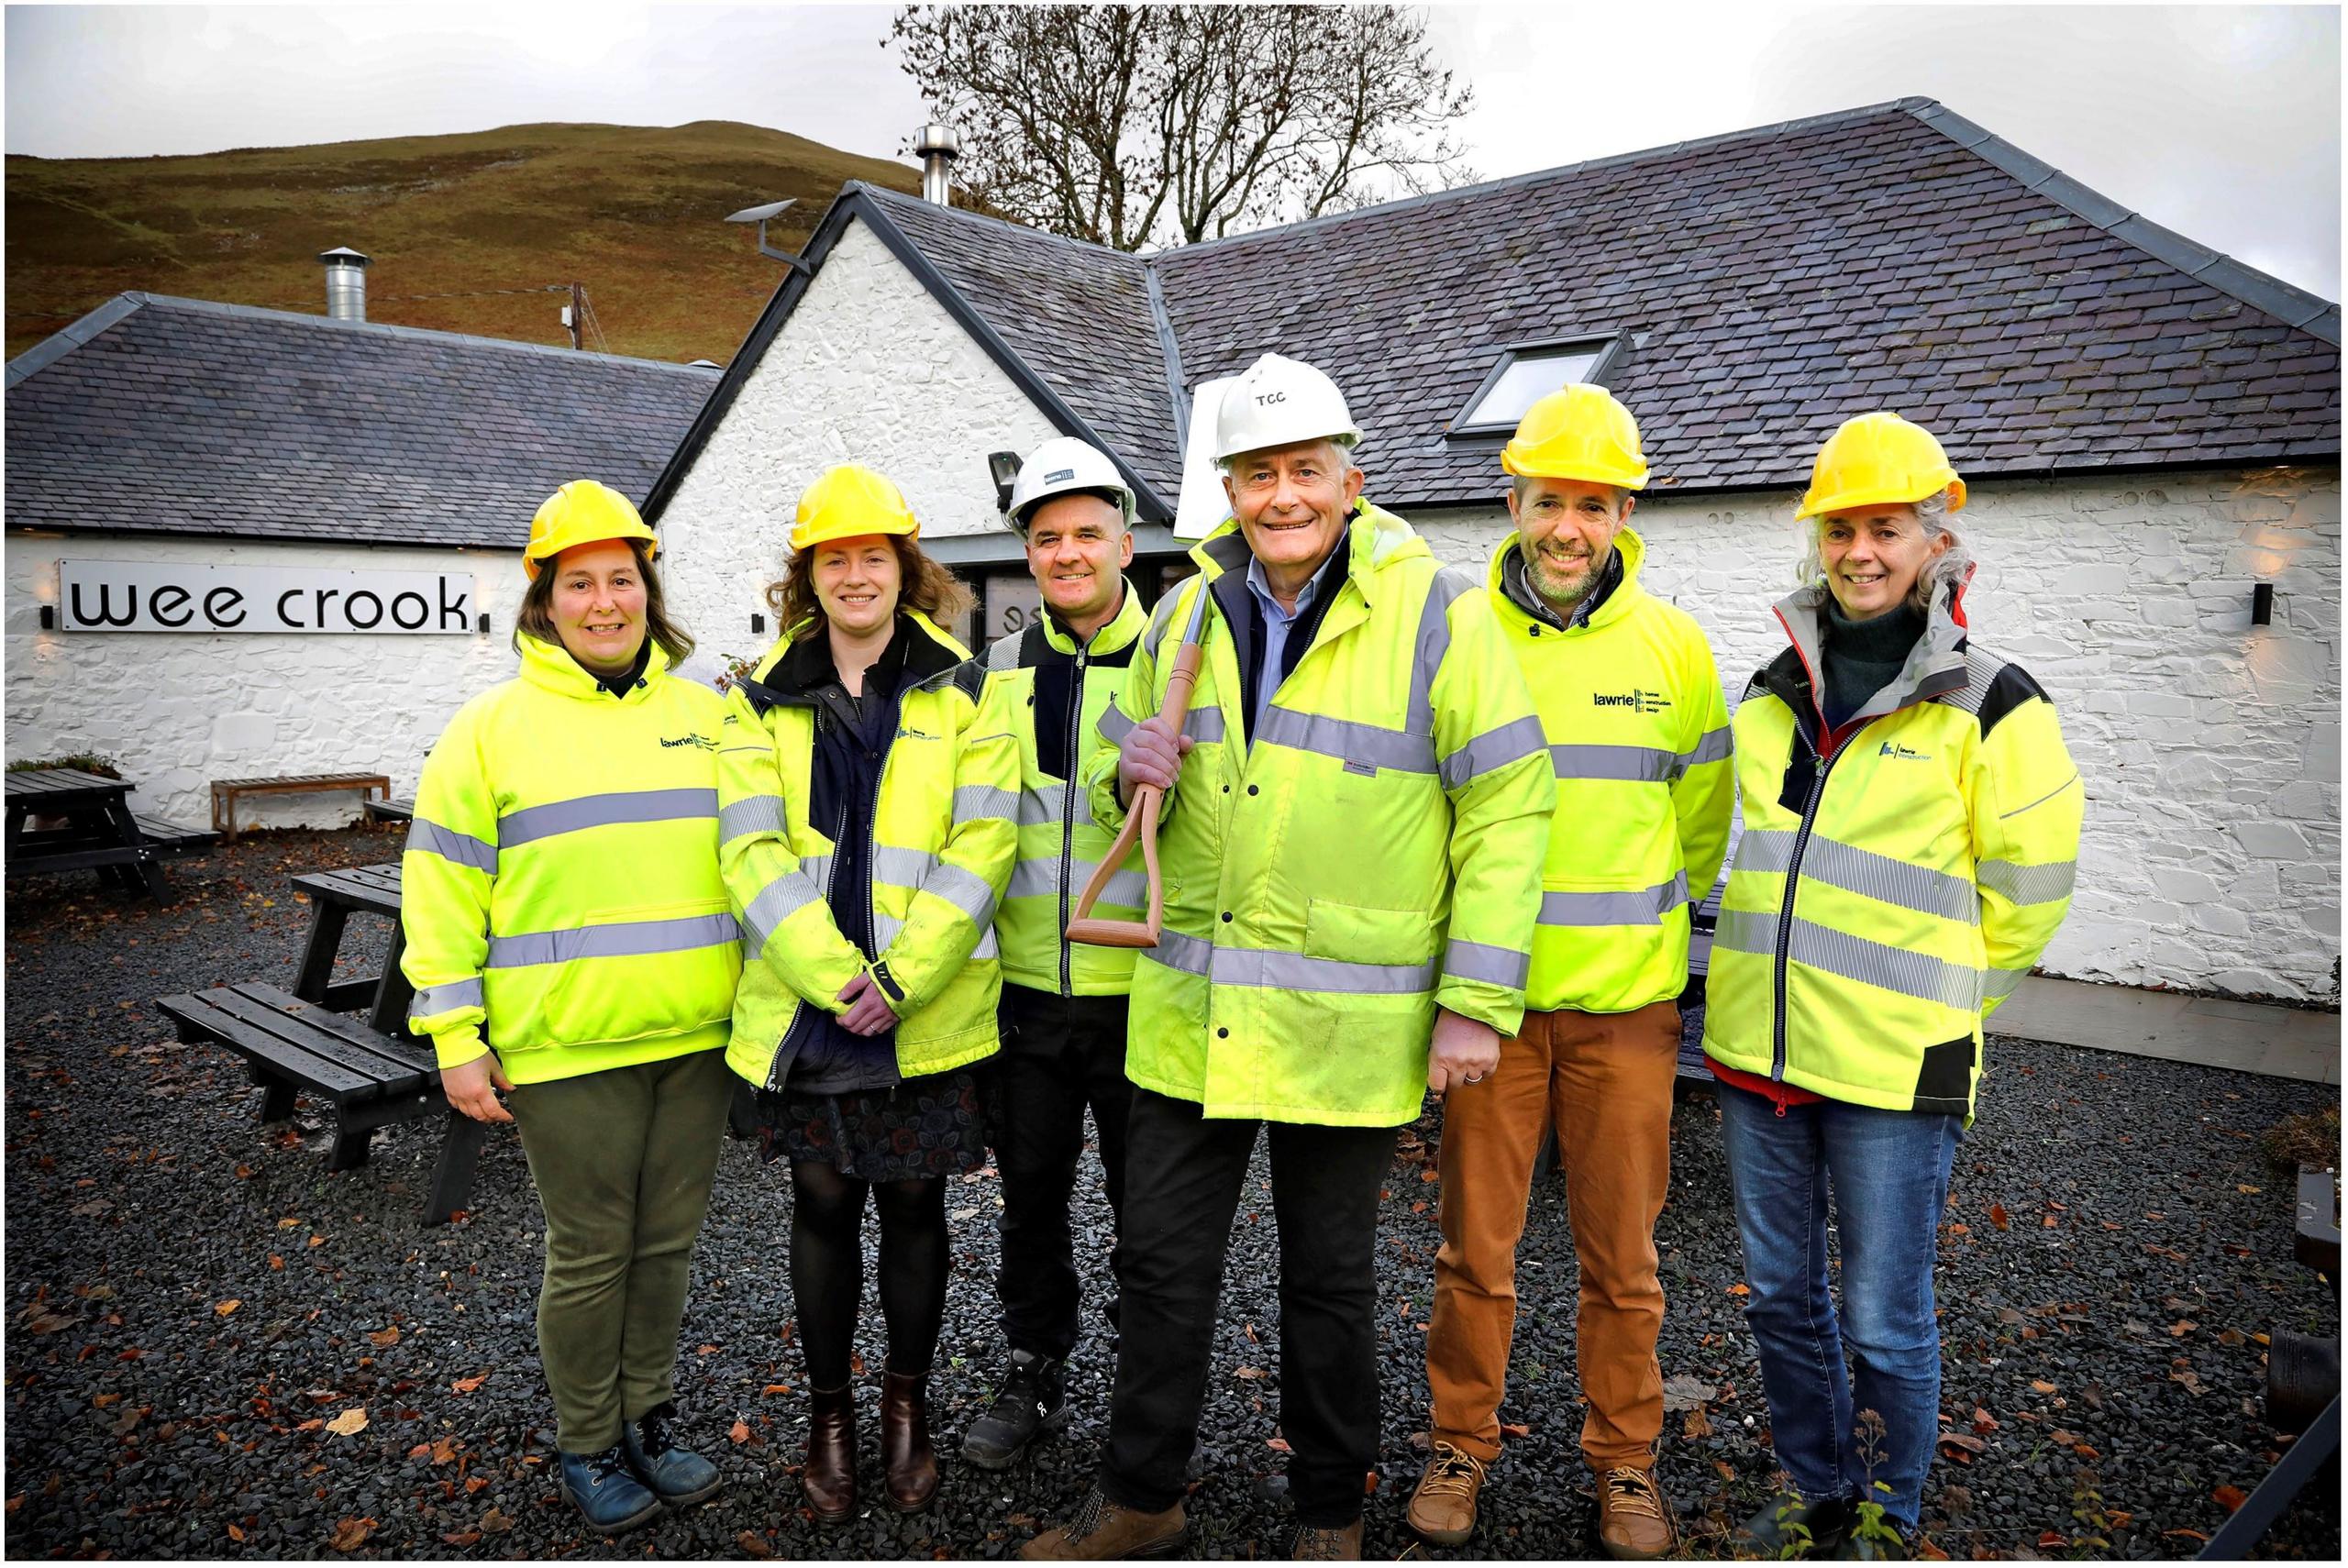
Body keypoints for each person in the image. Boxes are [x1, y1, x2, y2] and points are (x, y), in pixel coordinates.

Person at [1022, 354, 1553, 1562]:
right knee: (1160, 1267)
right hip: (1191, 1010)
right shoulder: (1184, 616)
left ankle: (1327, 1512)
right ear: (1229, 492)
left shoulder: (1440, 614)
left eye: (1304, 470)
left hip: (1343, 1023)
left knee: (1328, 1282)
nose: (1283, 497)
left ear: (1350, 482)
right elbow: (1120, 780)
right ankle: (1142, 1498)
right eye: (1257, 475)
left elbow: (1510, 807)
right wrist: (1120, 774)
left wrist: (1474, 1001)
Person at [1702, 413, 2083, 1558]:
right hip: (1755, 1055)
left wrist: (1945, 1005)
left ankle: (1881, 1513)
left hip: (1896, 1066)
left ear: (1933, 541)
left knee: (1881, 1317)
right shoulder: (1771, 688)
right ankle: (1815, 1486)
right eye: (1840, 530)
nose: (1859, 552)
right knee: (1780, 1299)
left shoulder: (1993, 701)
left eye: (1884, 529)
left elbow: (2030, 891)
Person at [1411, 386, 1733, 1559]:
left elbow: (1701, 826)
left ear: (1622, 516)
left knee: (1624, 1261)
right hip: (1489, 1011)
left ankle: (1625, 1462)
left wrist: (1637, 951)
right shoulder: (1456, 632)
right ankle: (1460, 1444)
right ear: (1513, 501)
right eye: (1550, 501)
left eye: (1592, 506)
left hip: (1626, 1013)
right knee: (1474, 1253)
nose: (1567, 528)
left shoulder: (1674, 647)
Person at [402, 480, 741, 1537]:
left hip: (699, 1038)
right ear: (544, 602)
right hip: (565, 1049)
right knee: (593, 1253)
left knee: (667, 1245)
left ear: (649, 591)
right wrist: (455, 1039)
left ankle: (649, 1418)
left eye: (621, 581)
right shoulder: (488, 731)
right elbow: (440, 895)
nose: (605, 603)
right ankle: (588, 1440)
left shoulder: (711, 717)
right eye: (580, 584)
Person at [717, 462, 1018, 1522]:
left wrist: (903, 977)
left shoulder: (968, 689)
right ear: (807, 575)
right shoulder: (755, 697)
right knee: (822, 1204)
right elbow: (749, 849)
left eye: (873, 556)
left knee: (916, 1207)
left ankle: (905, 1412)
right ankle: (830, 1419)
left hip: (922, 1008)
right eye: (833, 558)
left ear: (904, 567)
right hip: (811, 1012)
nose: (855, 575)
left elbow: (985, 844)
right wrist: (834, 975)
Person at [959, 437, 1153, 1470]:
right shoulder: (991, 675)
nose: (1068, 553)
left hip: (1145, 994)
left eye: (1087, 533)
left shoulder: (1181, 663)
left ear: (1126, 542)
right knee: (1030, 1200)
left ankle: (1146, 1381)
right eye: (1047, 538)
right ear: (1027, 554)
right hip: (1025, 996)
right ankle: (1034, 1363)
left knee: (1148, 1212)